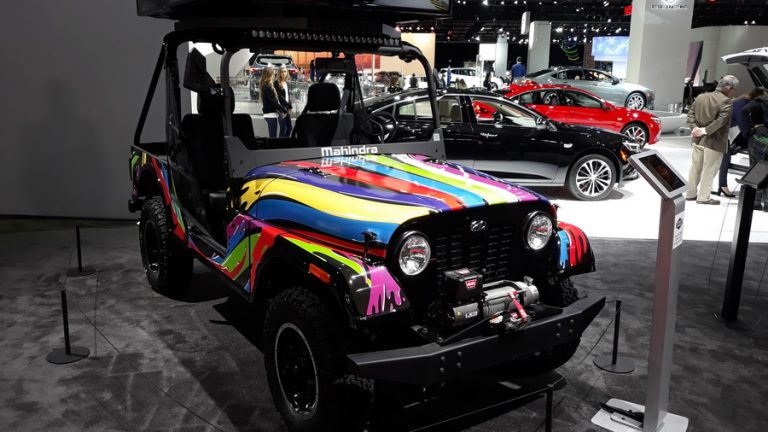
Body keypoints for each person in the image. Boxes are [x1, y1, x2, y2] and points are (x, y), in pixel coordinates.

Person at [684, 75, 739, 205]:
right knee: (709, 169)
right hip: (714, 141)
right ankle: (703, 197)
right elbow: (721, 121)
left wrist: (695, 129)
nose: (733, 92)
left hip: (698, 139)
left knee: (695, 168)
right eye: (734, 89)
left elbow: (690, 114)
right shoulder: (726, 101)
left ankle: (690, 194)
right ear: (728, 88)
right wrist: (704, 131)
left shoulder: (701, 97)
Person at [716, 87, 768, 197]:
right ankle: (722, 186)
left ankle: (722, 185)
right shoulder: (743, 103)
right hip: (725, 132)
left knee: (726, 157)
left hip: (729, 131)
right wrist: (749, 131)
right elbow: (742, 119)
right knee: (725, 158)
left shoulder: (746, 101)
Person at [742, 90, 768, 210]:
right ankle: (767, 203)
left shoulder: (760, 101)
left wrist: (747, 130)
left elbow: (743, 111)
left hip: (758, 139)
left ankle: (755, 201)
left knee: (755, 169)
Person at [259, 66, 288, 138]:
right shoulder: (268, 87)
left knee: (273, 136)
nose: (274, 76)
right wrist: (283, 109)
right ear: (270, 75)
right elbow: (273, 102)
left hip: (270, 113)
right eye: (273, 74)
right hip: (270, 114)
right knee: (273, 137)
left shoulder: (265, 85)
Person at [275, 65, 293, 137]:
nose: (283, 73)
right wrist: (286, 107)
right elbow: (280, 97)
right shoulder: (276, 83)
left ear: (287, 73)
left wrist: (290, 105)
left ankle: (285, 141)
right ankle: (280, 142)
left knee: (289, 128)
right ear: (279, 73)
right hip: (280, 108)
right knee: (283, 128)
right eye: (282, 72)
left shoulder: (286, 83)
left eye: (285, 72)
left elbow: (288, 96)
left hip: (287, 107)